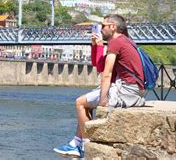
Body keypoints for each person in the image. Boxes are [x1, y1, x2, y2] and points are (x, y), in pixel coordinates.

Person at [53, 14, 145, 158]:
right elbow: (100, 65)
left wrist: (103, 99)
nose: (101, 29)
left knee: (80, 103)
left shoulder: (116, 42)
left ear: (113, 27)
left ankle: (84, 146)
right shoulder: (126, 41)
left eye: (103, 26)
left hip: (126, 89)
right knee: (86, 105)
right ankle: (75, 143)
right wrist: (96, 46)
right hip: (132, 89)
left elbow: (105, 73)